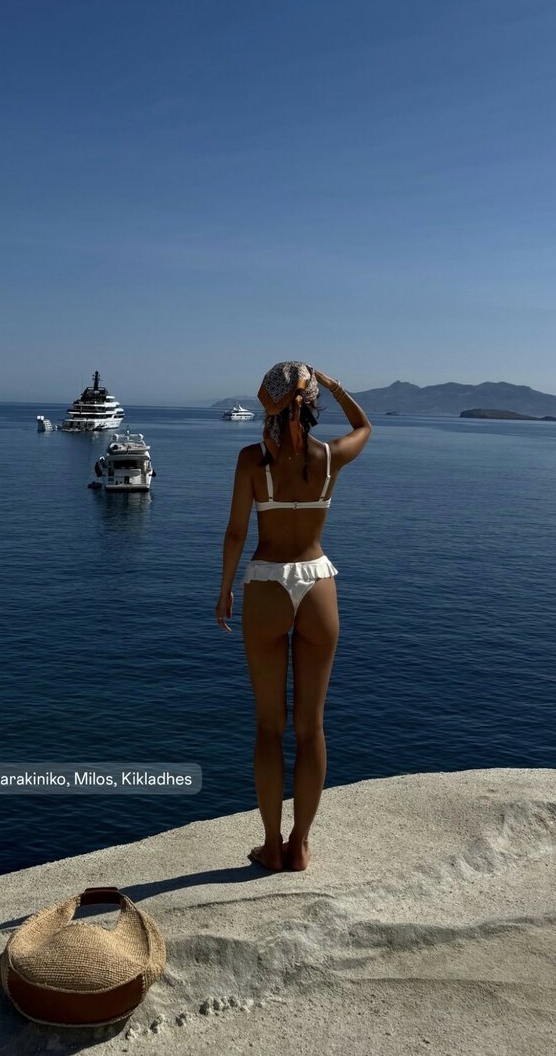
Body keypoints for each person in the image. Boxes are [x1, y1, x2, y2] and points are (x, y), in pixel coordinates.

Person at [216, 362, 372, 872]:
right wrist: (337, 386)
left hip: (266, 586)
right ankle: (301, 845)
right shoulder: (329, 458)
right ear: (311, 405)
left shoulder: (252, 460)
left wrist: (225, 590)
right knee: (311, 728)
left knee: (269, 726)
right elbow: (365, 427)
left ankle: (271, 845)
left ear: (268, 405)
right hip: (317, 584)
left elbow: (236, 532)